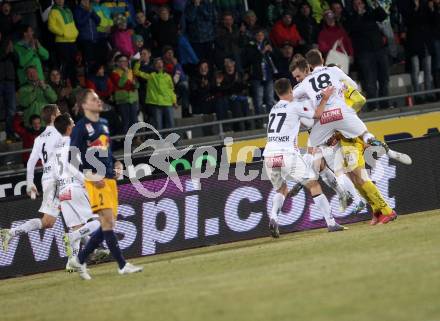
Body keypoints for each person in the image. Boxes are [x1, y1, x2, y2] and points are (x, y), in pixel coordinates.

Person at [292, 49, 408, 224]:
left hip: (348, 136)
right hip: (343, 130)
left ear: (308, 67)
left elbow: (359, 99)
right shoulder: (336, 75)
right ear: (323, 59)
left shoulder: (312, 85)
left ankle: (387, 210)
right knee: (353, 177)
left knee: (359, 175)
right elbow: (354, 94)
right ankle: (376, 210)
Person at [68, 89, 143, 279]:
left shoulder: (104, 123)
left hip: (109, 178)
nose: (98, 101)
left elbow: (106, 151)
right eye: (94, 99)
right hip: (95, 180)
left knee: (108, 224)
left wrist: (116, 162)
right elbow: (72, 159)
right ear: (84, 105)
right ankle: (122, 265)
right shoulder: (80, 128)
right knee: (108, 221)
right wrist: (90, 176)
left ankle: (80, 259)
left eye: (98, 98)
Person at [264, 78, 346, 238]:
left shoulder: (273, 108)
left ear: (276, 92)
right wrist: (326, 97)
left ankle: (274, 217)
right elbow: (317, 115)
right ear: (290, 90)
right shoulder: (295, 105)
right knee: (314, 185)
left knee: (282, 189)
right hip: (286, 154)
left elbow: (288, 124)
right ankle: (331, 223)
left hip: (269, 155)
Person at [0, 105, 61, 251]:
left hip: (48, 178)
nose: (61, 114)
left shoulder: (39, 138)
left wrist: (29, 182)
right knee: (54, 219)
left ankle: (84, 253)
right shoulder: (60, 133)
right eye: (58, 112)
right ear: (53, 116)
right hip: (58, 179)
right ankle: (89, 251)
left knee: (52, 221)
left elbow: (31, 162)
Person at [52, 113, 102, 268]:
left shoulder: (56, 146)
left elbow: (55, 171)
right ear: (68, 127)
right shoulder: (72, 143)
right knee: (99, 221)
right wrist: (87, 181)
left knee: (76, 225)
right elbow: (73, 168)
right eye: (73, 123)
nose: (75, 126)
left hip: (62, 189)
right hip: (74, 187)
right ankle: (72, 237)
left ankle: (71, 264)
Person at [346, 0, 389, 110]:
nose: (358, 6)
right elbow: (351, 29)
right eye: (355, 4)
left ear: (364, 4)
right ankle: (373, 106)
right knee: (370, 81)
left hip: (379, 49)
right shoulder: (351, 17)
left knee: (384, 79)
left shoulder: (370, 13)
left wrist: (375, 5)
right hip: (364, 53)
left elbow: (383, 16)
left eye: (360, 3)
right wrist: (359, 16)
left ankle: (385, 104)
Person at [134, 57, 176, 130]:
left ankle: (173, 141)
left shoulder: (168, 76)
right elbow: (136, 72)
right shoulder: (151, 76)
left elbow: (171, 90)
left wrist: (174, 101)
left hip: (168, 103)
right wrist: (138, 62)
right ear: (154, 66)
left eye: (161, 63)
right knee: (158, 125)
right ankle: (160, 141)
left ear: (163, 64)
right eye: (157, 63)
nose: (159, 64)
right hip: (156, 104)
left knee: (171, 124)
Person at [242, 29, 276, 119]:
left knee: (270, 99)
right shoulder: (250, 46)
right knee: (258, 101)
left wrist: (272, 51)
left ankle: (272, 120)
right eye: (258, 35)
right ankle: (260, 121)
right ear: (254, 36)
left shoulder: (268, 44)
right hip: (256, 77)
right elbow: (250, 60)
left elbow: (275, 57)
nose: (260, 37)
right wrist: (262, 51)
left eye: (262, 35)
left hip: (268, 76)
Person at [48, 0, 79, 86]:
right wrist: (62, 33)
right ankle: (63, 84)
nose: (60, 0)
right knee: (65, 64)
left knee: (73, 63)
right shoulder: (53, 11)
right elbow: (51, 26)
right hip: (62, 42)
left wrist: (75, 32)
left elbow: (72, 23)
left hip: (72, 40)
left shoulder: (68, 10)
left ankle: (74, 83)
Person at [110, 54, 139, 134]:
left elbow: (137, 85)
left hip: (133, 99)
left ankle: (136, 139)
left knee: (134, 120)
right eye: (121, 61)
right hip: (122, 100)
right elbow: (120, 84)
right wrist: (125, 73)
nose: (124, 63)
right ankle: (126, 141)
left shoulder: (130, 71)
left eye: (125, 61)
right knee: (125, 121)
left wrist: (135, 84)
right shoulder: (115, 73)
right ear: (117, 63)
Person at [0, 30, 15, 141]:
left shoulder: (10, 50)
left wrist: (12, 52)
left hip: (10, 82)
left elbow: (18, 62)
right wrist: (6, 52)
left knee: (11, 110)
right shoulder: (4, 50)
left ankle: (10, 133)